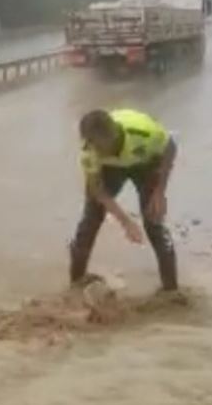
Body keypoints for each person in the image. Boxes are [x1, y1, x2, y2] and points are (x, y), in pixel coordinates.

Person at [70, 109, 178, 291]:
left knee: (154, 221)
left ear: (111, 136)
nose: (92, 149)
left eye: (97, 145)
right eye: (89, 144)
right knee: (90, 219)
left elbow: (170, 147)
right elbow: (98, 190)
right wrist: (126, 221)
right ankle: (76, 283)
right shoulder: (89, 151)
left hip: (145, 162)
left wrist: (160, 192)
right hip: (110, 168)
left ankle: (172, 290)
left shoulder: (144, 132)